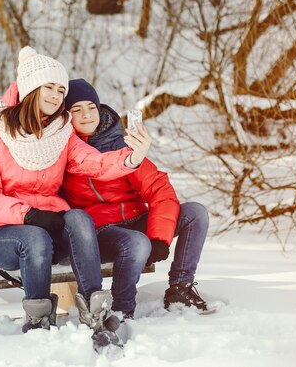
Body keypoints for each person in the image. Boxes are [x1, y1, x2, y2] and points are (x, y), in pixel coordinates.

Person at [0, 47, 146, 342]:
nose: (56, 95)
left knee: (77, 217)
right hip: (1, 234)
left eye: (61, 90)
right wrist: (28, 214)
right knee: (33, 236)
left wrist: (130, 158)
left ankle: (96, 313)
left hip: (51, 229)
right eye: (49, 86)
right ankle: (38, 322)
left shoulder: (62, 134)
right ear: (29, 87)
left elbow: (94, 162)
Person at [60, 78, 210, 321]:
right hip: (99, 232)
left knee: (195, 213)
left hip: (136, 218)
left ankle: (180, 289)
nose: (86, 115)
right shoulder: (64, 153)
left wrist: (160, 236)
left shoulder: (121, 145)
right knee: (136, 241)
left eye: (91, 107)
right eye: (76, 110)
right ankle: (122, 307)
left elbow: (158, 187)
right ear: (66, 117)